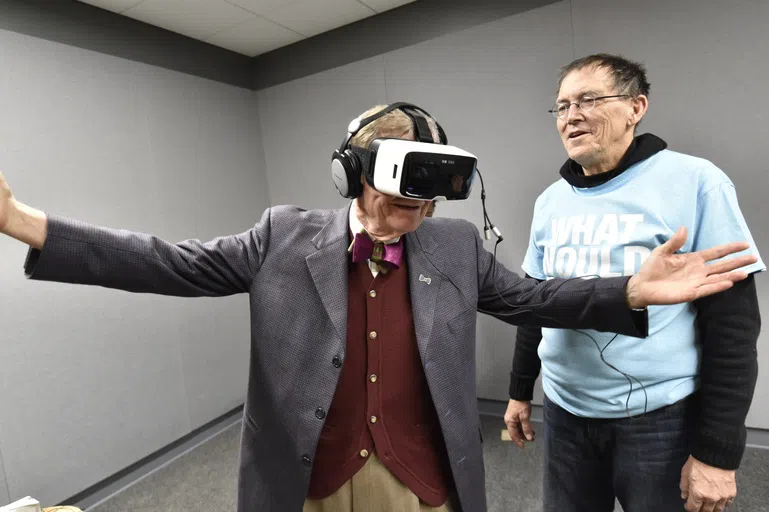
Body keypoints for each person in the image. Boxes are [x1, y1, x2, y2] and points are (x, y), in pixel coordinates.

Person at [0, 103, 756, 512]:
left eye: (428, 200)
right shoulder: (280, 237)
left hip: (420, 475)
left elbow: (531, 297)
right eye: (399, 198)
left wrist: (628, 290)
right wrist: (27, 224)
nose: (416, 213)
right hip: (311, 477)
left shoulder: (453, 247)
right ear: (350, 177)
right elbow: (169, 261)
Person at [503, 54, 765, 512]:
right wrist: (520, 390)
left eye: (588, 100)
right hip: (565, 414)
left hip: (660, 420)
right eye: (562, 107)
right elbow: (537, 305)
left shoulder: (696, 182)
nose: (572, 116)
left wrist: (718, 453)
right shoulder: (550, 201)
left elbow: (734, 327)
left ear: (636, 107)